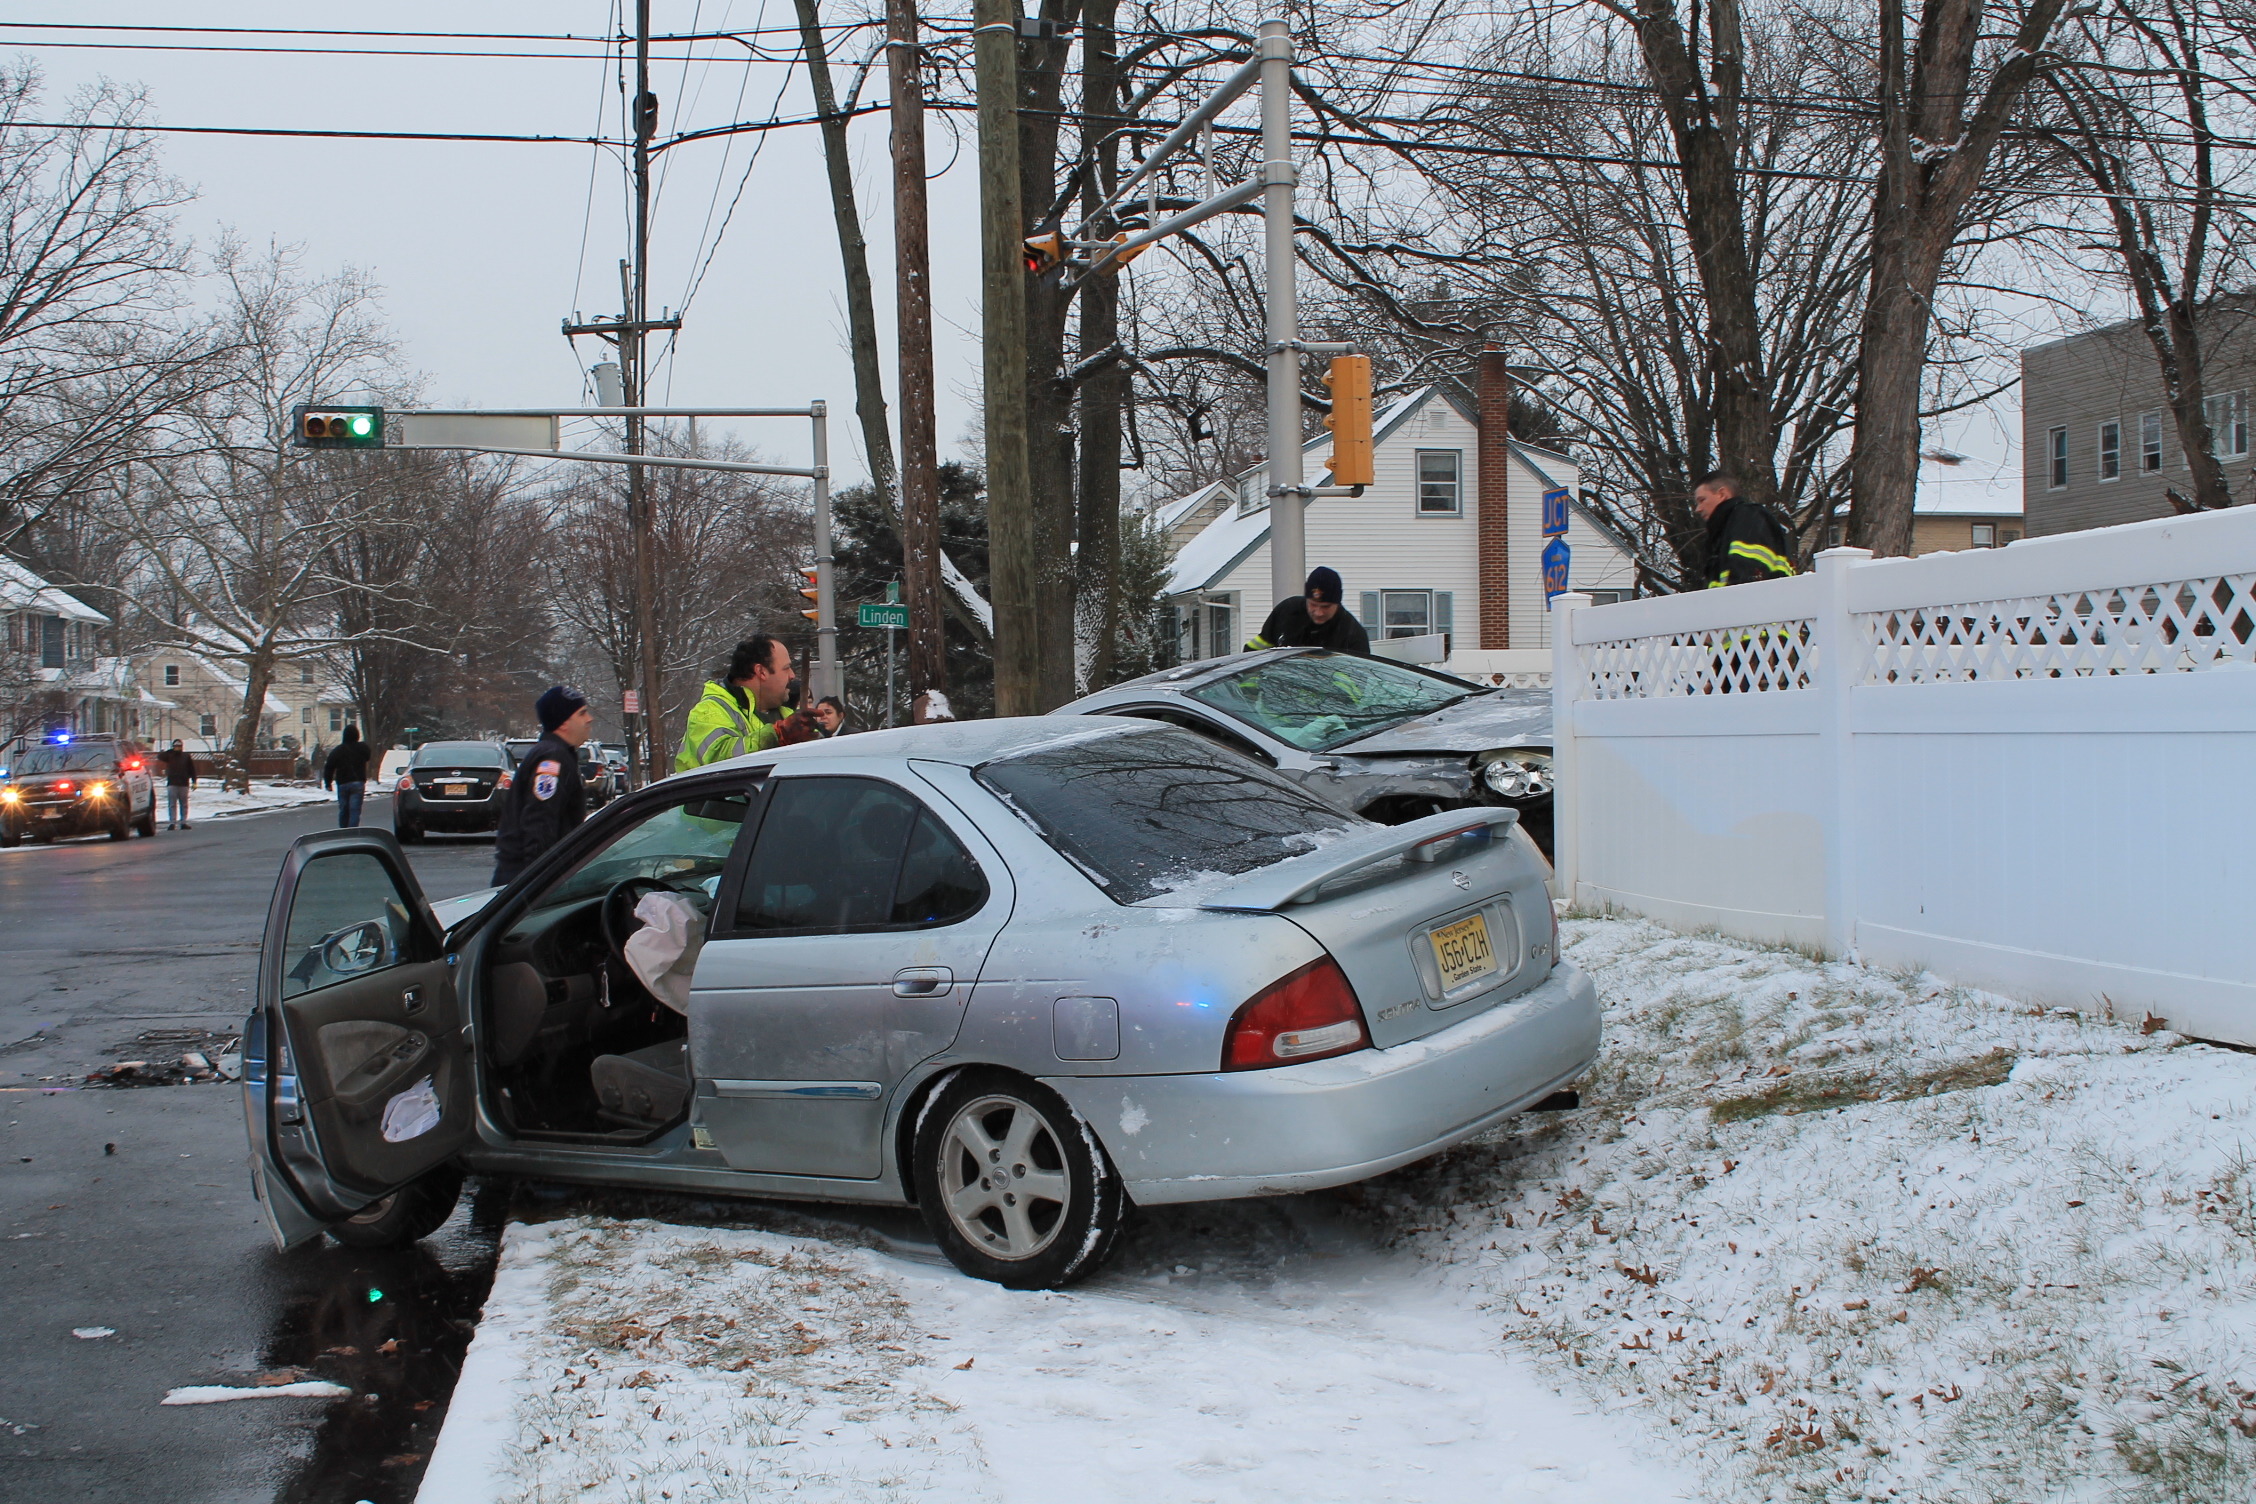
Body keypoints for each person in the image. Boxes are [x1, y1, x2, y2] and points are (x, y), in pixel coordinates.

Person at [493, 685, 593, 886]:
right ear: (563, 723)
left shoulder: (557, 754)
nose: (589, 718)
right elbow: (539, 824)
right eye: (581, 713)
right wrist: (538, 885)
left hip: (526, 876)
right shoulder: (552, 759)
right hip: (526, 879)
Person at [674, 636, 796, 773]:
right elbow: (721, 761)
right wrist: (776, 735)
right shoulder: (708, 711)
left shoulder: (787, 714)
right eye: (786, 668)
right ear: (761, 671)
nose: (792, 675)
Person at [1692, 471, 1798, 588]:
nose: (1698, 509)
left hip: (1751, 602)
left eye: (1702, 500)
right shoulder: (1723, 532)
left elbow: (1747, 574)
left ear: (1722, 494)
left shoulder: (1746, 516)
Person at [1244, 566, 1372, 656]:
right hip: (1277, 691)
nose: (1318, 612)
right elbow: (1254, 653)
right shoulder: (1287, 611)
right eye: (1313, 604)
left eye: (1325, 607)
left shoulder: (1353, 635)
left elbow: (1355, 685)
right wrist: (1249, 690)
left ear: (1337, 603)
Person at [321, 724, 373, 828]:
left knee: (344, 810)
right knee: (355, 810)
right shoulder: (362, 748)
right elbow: (368, 756)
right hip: (358, 782)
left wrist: (328, 783)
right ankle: (353, 831)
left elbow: (329, 766)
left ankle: (343, 831)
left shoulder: (338, 750)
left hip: (343, 783)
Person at [155, 739, 197, 830]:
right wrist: (169, 751)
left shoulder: (186, 756)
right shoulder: (170, 755)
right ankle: (172, 822)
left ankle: (183, 822)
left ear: (182, 747)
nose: (177, 748)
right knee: (172, 804)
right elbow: (160, 756)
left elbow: (192, 769)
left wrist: (194, 781)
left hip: (184, 783)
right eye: (175, 746)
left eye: (179, 746)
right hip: (172, 783)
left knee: (184, 804)